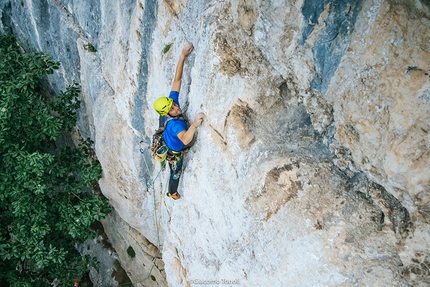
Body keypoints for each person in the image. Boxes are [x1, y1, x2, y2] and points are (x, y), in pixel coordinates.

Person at [153, 43, 205, 200]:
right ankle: (172, 192)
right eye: (173, 109)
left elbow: (177, 80)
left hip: (168, 133)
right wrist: (195, 125)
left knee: (165, 123)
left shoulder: (170, 105)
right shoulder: (176, 124)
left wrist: (182, 56)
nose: (176, 107)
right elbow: (185, 139)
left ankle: (163, 131)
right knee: (175, 173)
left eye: (174, 105)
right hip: (174, 150)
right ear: (167, 113)